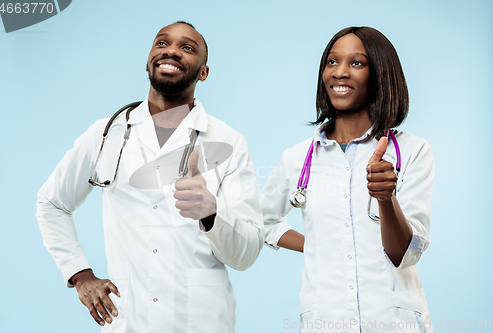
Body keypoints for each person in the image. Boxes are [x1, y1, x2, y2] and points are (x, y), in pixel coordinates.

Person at [36, 21, 264, 333]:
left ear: (203, 72)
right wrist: (80, 274)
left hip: (203, 322)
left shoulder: (228, 142)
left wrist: (212, 212)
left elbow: (247, 253)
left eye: (188, 48)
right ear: (148, 60)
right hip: (128, 321)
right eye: (162, 43)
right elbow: (51, 203)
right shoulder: (106, 134)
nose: (172, 50)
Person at [260, 27, 434, 332]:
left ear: (380, 74)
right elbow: (263, 221)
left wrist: (386, 198)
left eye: (357, 63)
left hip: (393, 322)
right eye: (331, 62)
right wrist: (315, 245)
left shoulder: (412, 151)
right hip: (326, 321)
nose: (340, 72)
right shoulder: (297, 158)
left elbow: (404, 254)